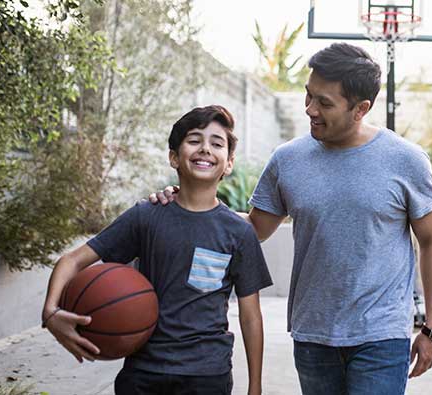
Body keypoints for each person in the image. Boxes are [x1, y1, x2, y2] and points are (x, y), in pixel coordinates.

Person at [152, 43, 432, 395]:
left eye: (325, 103)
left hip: (381, 335)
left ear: (361, 108)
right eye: (309, 96)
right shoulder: (288, 160)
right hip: (313, 335)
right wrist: (187, 205)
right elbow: (252, 230)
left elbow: (431, 243)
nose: (310, 109)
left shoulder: (406, 160)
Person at [42, 105, 273, 395]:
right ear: (174, 157)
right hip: (144, 370)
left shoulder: (238, 233)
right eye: (194, 140)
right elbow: (72, 260)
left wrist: (255, 387)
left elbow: (251, 316)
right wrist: (50, 313)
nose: (205, 149)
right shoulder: (147, 215)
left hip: (207, 374)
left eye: (216, 143)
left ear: (228, 163)